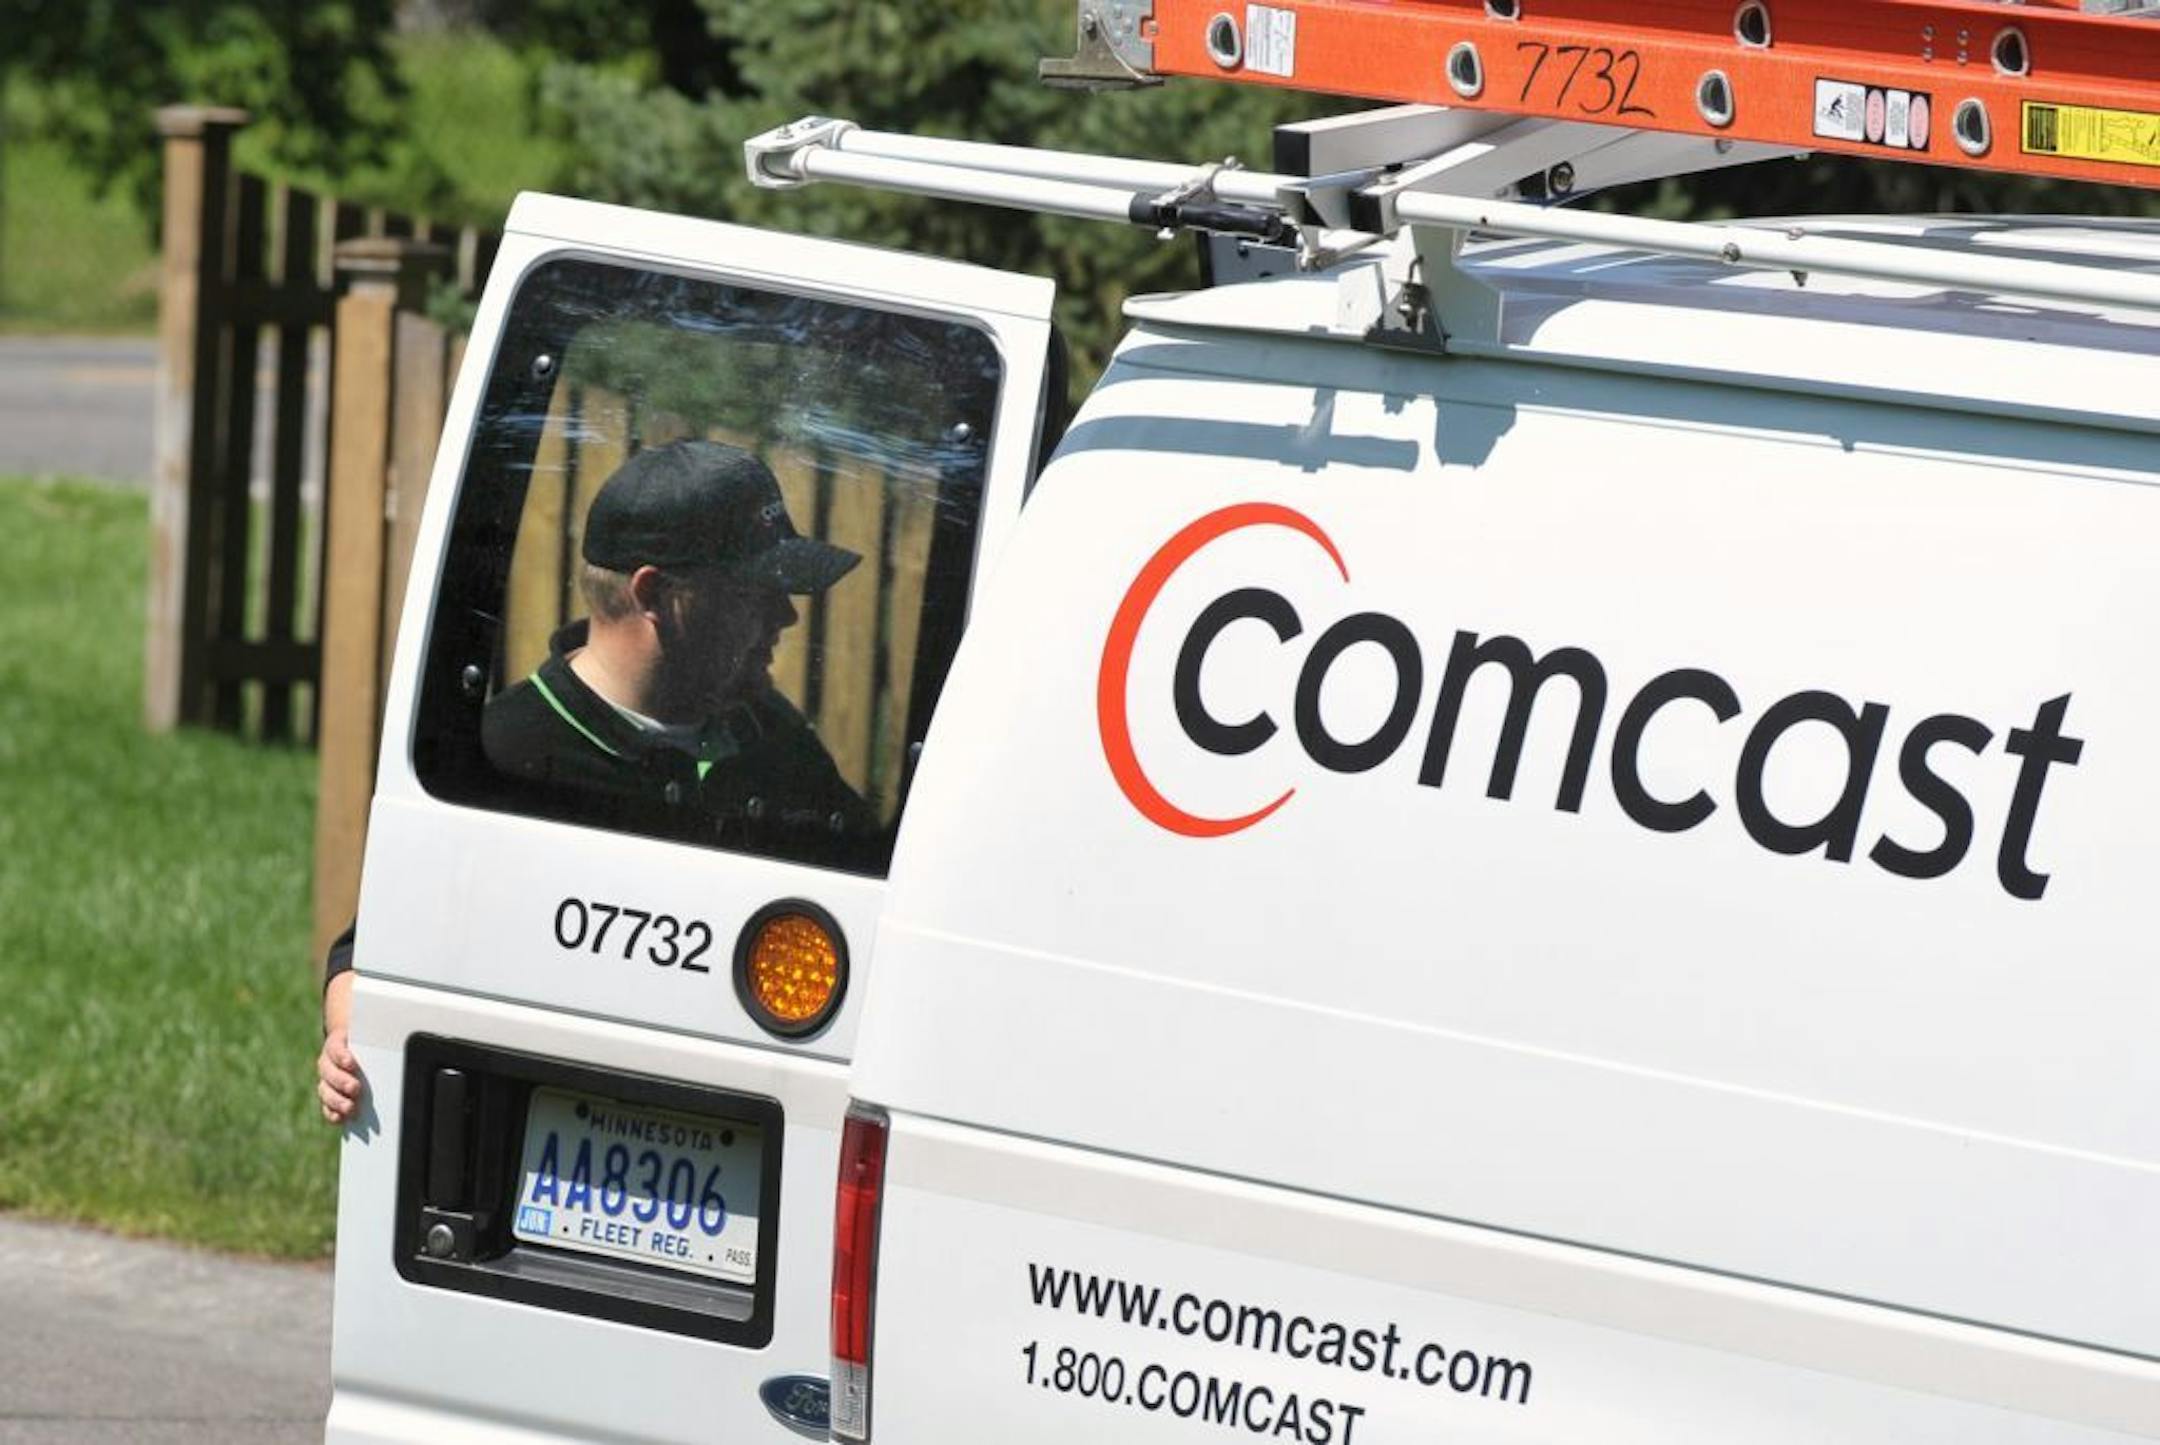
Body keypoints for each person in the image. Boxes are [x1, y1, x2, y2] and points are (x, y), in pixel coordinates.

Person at [316, 440, 871, 1125]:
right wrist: (346, 1036)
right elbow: (368, 949)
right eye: (754, 592)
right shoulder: (504, 752)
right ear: (658, 595)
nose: (786, 616)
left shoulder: (773, 742)